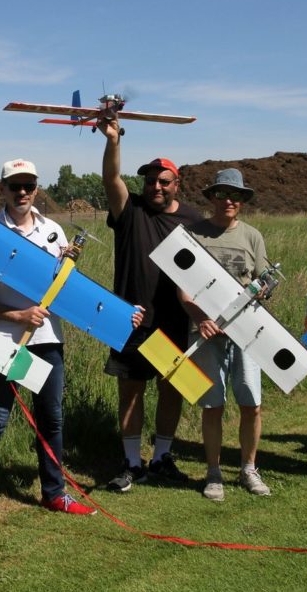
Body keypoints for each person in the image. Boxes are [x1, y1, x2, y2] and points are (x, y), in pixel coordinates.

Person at [0, 159, 96, 543]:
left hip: (48, 339)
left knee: (52, 420)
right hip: (6, 340)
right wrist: (16, 313)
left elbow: (61, 289)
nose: (22, 192)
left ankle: (54, 493)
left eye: (29, 185)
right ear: (1, 189)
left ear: (36, 189)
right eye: (15, 185)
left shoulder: (53, 230)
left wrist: (69, 268)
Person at [98, 116, 203, 491]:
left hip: (174, 320)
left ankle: (161, 457)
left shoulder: (194, 219)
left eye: (163, 181)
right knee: (130, 390)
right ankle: (131, 463)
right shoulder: (131, 211)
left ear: (177, 185)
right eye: (150, 181)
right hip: (129, 320)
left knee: (172, 388)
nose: (155, 187)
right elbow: (112, 180)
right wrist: (113, 141)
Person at [180, 169, 271, 501]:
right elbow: (183, 287)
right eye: (222, 194)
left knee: (252, 403)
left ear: (243, 201)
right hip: (205, 333)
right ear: (211, 198)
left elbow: (263, 280)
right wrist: (201, 318)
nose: (229, 200)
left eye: (236, 196)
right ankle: (214, 473)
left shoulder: (252, 237)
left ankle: (249, 469)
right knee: (212, 406)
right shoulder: (193, 234)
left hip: (246, 334)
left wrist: (263, 290)